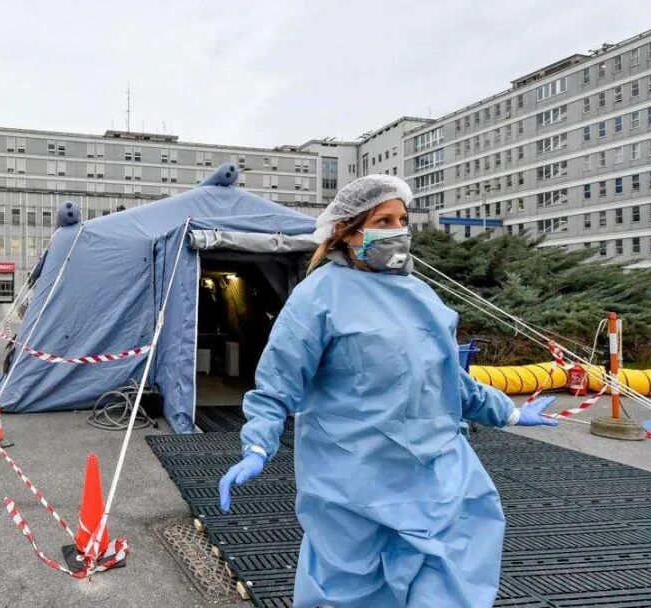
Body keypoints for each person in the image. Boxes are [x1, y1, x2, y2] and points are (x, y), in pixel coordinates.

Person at [217, 175, 557, 608]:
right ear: (348, 231)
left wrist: (507, 412)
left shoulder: (421, 295)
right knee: (349, 590)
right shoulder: (317, 297)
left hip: (437, 471)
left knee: (453, 574)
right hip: (352, 479)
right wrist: (257, 447)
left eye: (402, 220)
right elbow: (277, 384)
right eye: (384, 220)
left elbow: (447, 378)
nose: (398, 230)